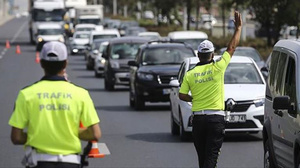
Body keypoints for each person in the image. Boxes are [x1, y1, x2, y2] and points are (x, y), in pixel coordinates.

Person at [8, 41, 101, 168]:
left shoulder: (26, 94)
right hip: (71, 162)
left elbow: (16, 137)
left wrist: (39, 134)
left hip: (38, 162)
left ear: (41, 63)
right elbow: (95, 134)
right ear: (65, 63)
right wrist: (68, 131)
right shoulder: (81, 94)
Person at [179, 11, 242, 168]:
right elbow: (232, 47)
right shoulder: (218, 67)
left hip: (198, 120)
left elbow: (181, 95)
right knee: (211, 158)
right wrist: (238, 28)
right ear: (212, 54)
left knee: (203, 158)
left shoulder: (190, 73)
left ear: (198, 55)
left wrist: (194, 99)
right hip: (215, 120)